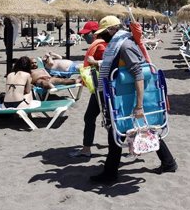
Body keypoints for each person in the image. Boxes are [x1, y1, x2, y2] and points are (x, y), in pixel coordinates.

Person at [90, 15, 177, 184]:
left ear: (111, 30)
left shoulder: (125, 45)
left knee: (118, 132)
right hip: (124, 94)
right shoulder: (119, 44)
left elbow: (139, 74)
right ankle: (169, 163)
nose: (102, 37)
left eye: (104, 33)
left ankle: (110, 174)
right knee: (141, 128)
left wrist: (139, 106)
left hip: (129, 97)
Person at [69, 19, 108, 158]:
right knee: (103, 118)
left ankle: (86, 149)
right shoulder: (99, 45)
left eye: (87, 34)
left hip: (103, 88)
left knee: (92, 117)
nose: (84, 36)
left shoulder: (101, 46)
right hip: (100, 88)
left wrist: (95, 64)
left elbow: (108, 65)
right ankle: (87, 148)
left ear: (95, 33)